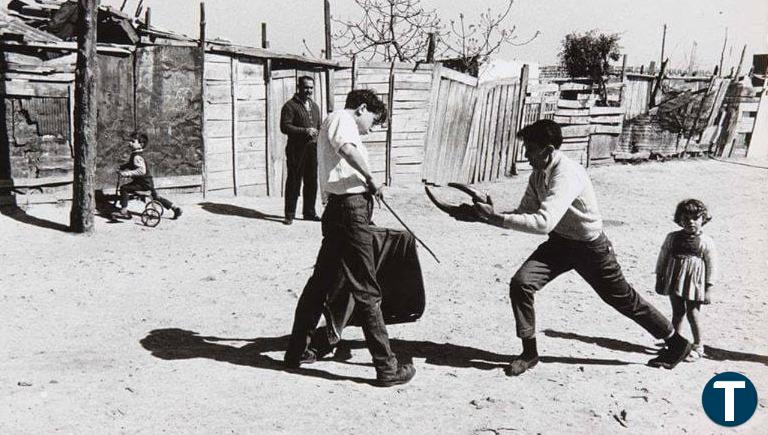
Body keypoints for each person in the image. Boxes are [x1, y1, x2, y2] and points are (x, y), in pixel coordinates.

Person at [473, 119, 692, 376]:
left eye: (530, 149)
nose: (525, 155)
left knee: (624, 300)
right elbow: (526, 213)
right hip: (560, 244)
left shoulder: (566, 174)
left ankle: (677, 343)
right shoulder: (537, 174)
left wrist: (495, 218)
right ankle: (529, 353)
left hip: (591, 249)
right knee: (521, 283)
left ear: (549, 149)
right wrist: (487, 215)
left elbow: (543, 222)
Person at [284, 89, 416, 387]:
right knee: (367, 289)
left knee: (320, 284)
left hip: (338, 211)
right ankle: (386, 367)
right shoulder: (342, 118)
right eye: (374, 120)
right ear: (362, 108)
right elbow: (347, 149)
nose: (372, 128)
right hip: (350, 210)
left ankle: (295, 352)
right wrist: (372, 180)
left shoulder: (331, 121)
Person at [655, 199, 717, 361]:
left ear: (703, 219)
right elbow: (663, 256)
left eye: (695, 218)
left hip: (694, 283)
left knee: (693, 313)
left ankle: (698, 345)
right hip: (674, 279)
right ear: (679, 219)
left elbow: (712, 265)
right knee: (677, 313)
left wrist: (709, 288)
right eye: (686, 218)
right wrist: (659, 277)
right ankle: (675, 343)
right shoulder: (672, 238)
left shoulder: (706, 242)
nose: (691, 222)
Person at [280, 75, 321, 225]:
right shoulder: (289, 106)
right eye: (305, 87)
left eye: (311, 87)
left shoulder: (315, 106)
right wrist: (305, 131)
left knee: (312, 182)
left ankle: (309, 212)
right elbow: (285, 127)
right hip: (296, 150)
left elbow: (319, 126)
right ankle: (289, 214)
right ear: (299, 87)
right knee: (294, 182)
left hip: (312, 150)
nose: (308, 90)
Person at [113, 133, 182, 220]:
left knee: (124, 188)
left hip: (142, 184)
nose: (130, 143)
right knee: (156, 197)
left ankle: (123, 211)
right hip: (148, 182)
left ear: (140, 145)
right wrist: (122, 167)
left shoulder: (137, 157)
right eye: (130, 141)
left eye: (133, 141)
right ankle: (175, 208)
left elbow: (141, 171)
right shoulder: (137, 154)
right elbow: (131, 164)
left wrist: (126, 173)